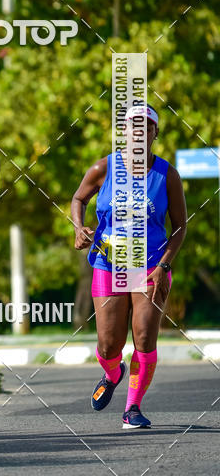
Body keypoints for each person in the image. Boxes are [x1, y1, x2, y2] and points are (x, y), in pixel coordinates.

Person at [71, 104, 187, 428]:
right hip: (109, 263)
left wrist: (164, 266)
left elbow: (180, 226)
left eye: (146, 127)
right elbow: (78, 198)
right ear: (122, 131)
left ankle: (132, 408)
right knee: (109, 345)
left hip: (150, 265)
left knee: (145, 338)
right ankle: (113, 372)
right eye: (132, 126)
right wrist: (79, 228)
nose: (138, 131)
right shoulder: (103, 168)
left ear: (154, 134)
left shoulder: (167, 174)